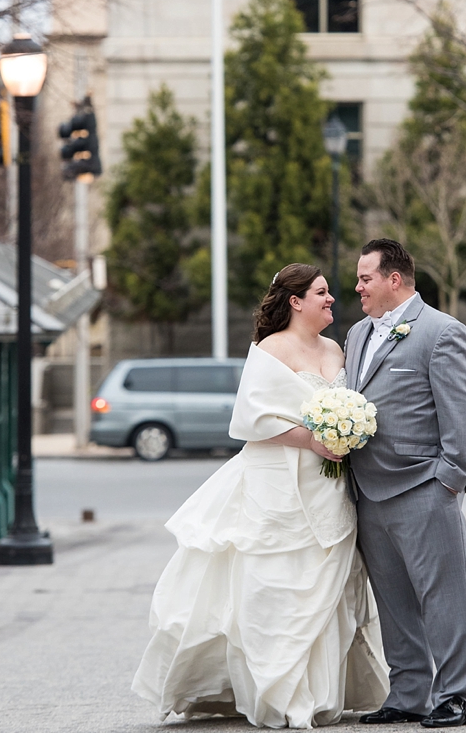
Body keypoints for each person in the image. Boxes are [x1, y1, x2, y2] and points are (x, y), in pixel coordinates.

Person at [133, 264, 389, 727]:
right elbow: (251, 421)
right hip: (278, 485)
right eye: (322, 292)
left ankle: (318, 692)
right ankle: (277, 692)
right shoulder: (270, 350)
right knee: (275, 585)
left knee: (327, 586)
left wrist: (347, 434)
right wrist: (312, 439)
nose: (332, 299)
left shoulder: (336, 348)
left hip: (330, 487)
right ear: (296, 302)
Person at [345, 239, 466, 728]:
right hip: (368, 493)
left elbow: (463, 413)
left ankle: (457, 695)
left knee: (445, 598)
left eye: (365, 278)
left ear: (394, 279)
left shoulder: (442, 332)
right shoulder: (357, 334)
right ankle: (408, 694)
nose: (357, 286)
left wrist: (448, 479)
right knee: (394, 603)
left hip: (424, 488)